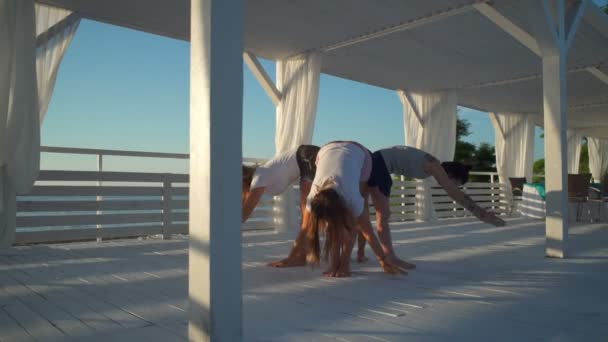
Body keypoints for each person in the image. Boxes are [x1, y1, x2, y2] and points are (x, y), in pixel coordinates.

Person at [271, 141, 405, 277]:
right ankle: (335, 264)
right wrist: (292, 257)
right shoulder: (313, 199)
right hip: (325, 151)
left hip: (361, 155)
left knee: (353, 222)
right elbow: (307, 227)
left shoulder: (352, 198)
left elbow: (367, 231)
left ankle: (345, 263)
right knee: (334, 227)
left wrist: (384, 261)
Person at [359, 145, 506, 269]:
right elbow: (455, 193)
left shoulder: (431, 162)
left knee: (362, 211)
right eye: (456, 183)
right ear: (450, 175)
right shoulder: (434, 166)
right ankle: (390, 257)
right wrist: (482, 214)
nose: (454, 186)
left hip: (372, 162)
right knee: (383, 215)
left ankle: (360, 254)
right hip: (378, 164)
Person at [242, 145, 320, 223]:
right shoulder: (260, 177)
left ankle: (307, 231)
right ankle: (308, 230)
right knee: (309, 203)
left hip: (306, 156)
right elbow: (245, 202)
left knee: (306, 203)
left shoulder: (259, 178)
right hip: (308, 158)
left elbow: (247, 209)